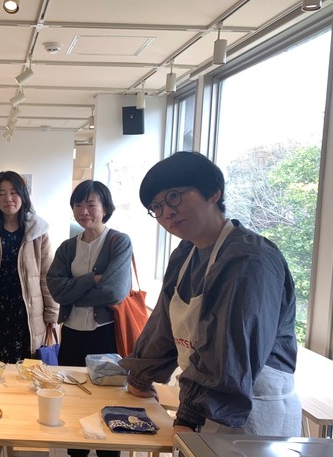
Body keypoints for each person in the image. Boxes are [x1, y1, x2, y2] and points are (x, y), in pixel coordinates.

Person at [122, 151, 301, 437]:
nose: (166, 213)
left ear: (213, 192)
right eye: (156, 206)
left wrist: (190, 414)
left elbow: (232, 345)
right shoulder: (185, 254)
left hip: (251, 409)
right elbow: (162, 326)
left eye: (174, 197)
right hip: (204, 399)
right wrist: (141, 378)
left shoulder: (249, 258)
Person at [46, 180, 132, 457]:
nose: (84, 211)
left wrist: (75, 289)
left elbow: (113, 291)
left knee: (107, 397)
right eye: (78, 205)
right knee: (73, 395)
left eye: (91, 204)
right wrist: (91, 280)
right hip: (71, 331)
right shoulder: (68, 247)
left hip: (104, 333)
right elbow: (56, 289)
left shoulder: (118, 242)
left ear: (105, 207)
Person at [0, 171, 58, 363]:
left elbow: (47, 276)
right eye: (1, 193)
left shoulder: (38, 231)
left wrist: (52, 312)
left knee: (27, 365)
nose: (8, 198)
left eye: (13, 192)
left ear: (23, 195)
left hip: (28, 310)